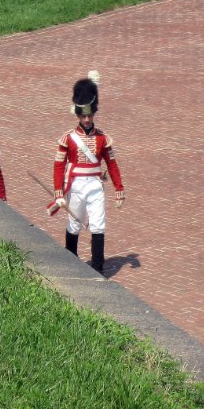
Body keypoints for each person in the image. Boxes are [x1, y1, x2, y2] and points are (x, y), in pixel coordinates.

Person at [52, 71, 125, 275]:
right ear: (77, 114)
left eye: (89, 115)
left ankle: (98, 268)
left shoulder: (102, 138)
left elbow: (111, 164)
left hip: (94, 184)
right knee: (74, 223)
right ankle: (70, 261)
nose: (86, 119)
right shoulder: (68, 138)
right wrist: (59, 191)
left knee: (98, 224)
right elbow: (58, 166)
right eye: (83, 115)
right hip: (75, 185)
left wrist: (119, 188)